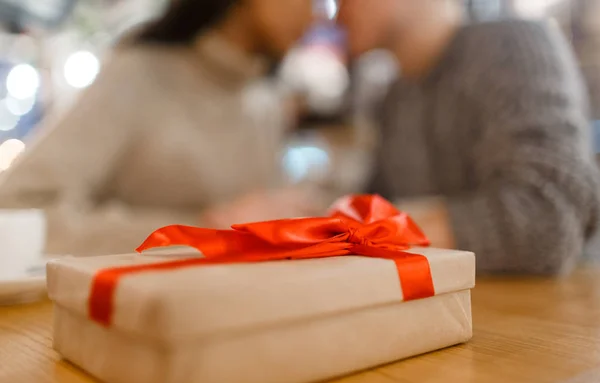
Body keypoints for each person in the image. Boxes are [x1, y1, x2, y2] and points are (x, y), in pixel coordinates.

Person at [0, 0, 318, 256]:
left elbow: (252, 218)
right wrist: (202, 230)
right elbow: (17, 207)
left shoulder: (264, 99)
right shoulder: (140, 73)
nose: (314, 16)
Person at [337, 0, 600, 275]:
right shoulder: (396, 96)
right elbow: (377, 206)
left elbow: (551, 216)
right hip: (455, 306)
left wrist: (366, 232)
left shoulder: (511, 48)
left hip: (552, 310)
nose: (337, 13)